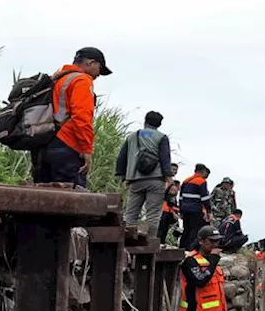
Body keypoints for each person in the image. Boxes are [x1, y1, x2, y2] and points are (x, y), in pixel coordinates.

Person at [31, 47, 111, 188]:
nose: (99, 74)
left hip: (43, 143)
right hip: (66, 145)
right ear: (90, 63)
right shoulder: (81, 80)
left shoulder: (57, 78)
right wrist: (87, 150)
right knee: (72, 199)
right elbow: (81, 118)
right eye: (100, 68)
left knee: (42, 197)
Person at [116, 110, 172, 227]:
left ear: (145, 121)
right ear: (159, 124)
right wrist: (168, 177)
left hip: (135, 180)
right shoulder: (161, 137)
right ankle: (149, 242)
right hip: (155, 180)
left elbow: (122, 157)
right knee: (152, 215)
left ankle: (128, 241)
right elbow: (164, 158)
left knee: (131, 214)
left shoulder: (132, 136)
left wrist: (123, 176)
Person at [179, 164, 212, 250]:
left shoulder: (186, 181)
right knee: (195, 230)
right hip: (195, 209)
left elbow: (181, 197)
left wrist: (181, 211)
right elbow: (205, 198)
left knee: (186, 229)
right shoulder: (201, 181)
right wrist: (208, 211)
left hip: (185, 209)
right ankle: (191, 249)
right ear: (203, 171)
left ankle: (182, 248)